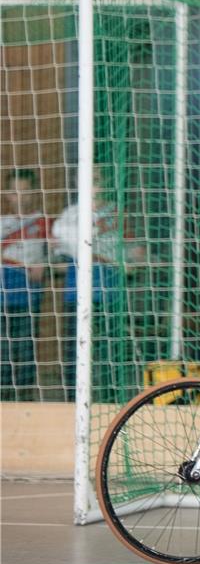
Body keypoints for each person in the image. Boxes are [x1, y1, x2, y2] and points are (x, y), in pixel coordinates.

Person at [52, 182, 146, 402]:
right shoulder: (70, 216)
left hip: (109, 296)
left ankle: (110, 402)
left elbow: (138, 254)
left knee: (108, 354)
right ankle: (72, 402)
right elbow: (55, 256)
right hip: (77, 296)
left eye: (98, 179)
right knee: (75, 353)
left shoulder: (116, 214)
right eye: (90, 180)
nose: (94, 186)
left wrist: (130, 261)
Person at [0, 169, 49, 400]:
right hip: (1, 297)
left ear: (33, 193)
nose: (20, 197)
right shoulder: (2, 222)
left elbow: (60, 258)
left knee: (24, 352)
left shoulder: (43, 223)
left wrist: (45, 264)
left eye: (25, 191)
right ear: (8, 195)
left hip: (27, 298)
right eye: (15, 191)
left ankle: (26, 401)